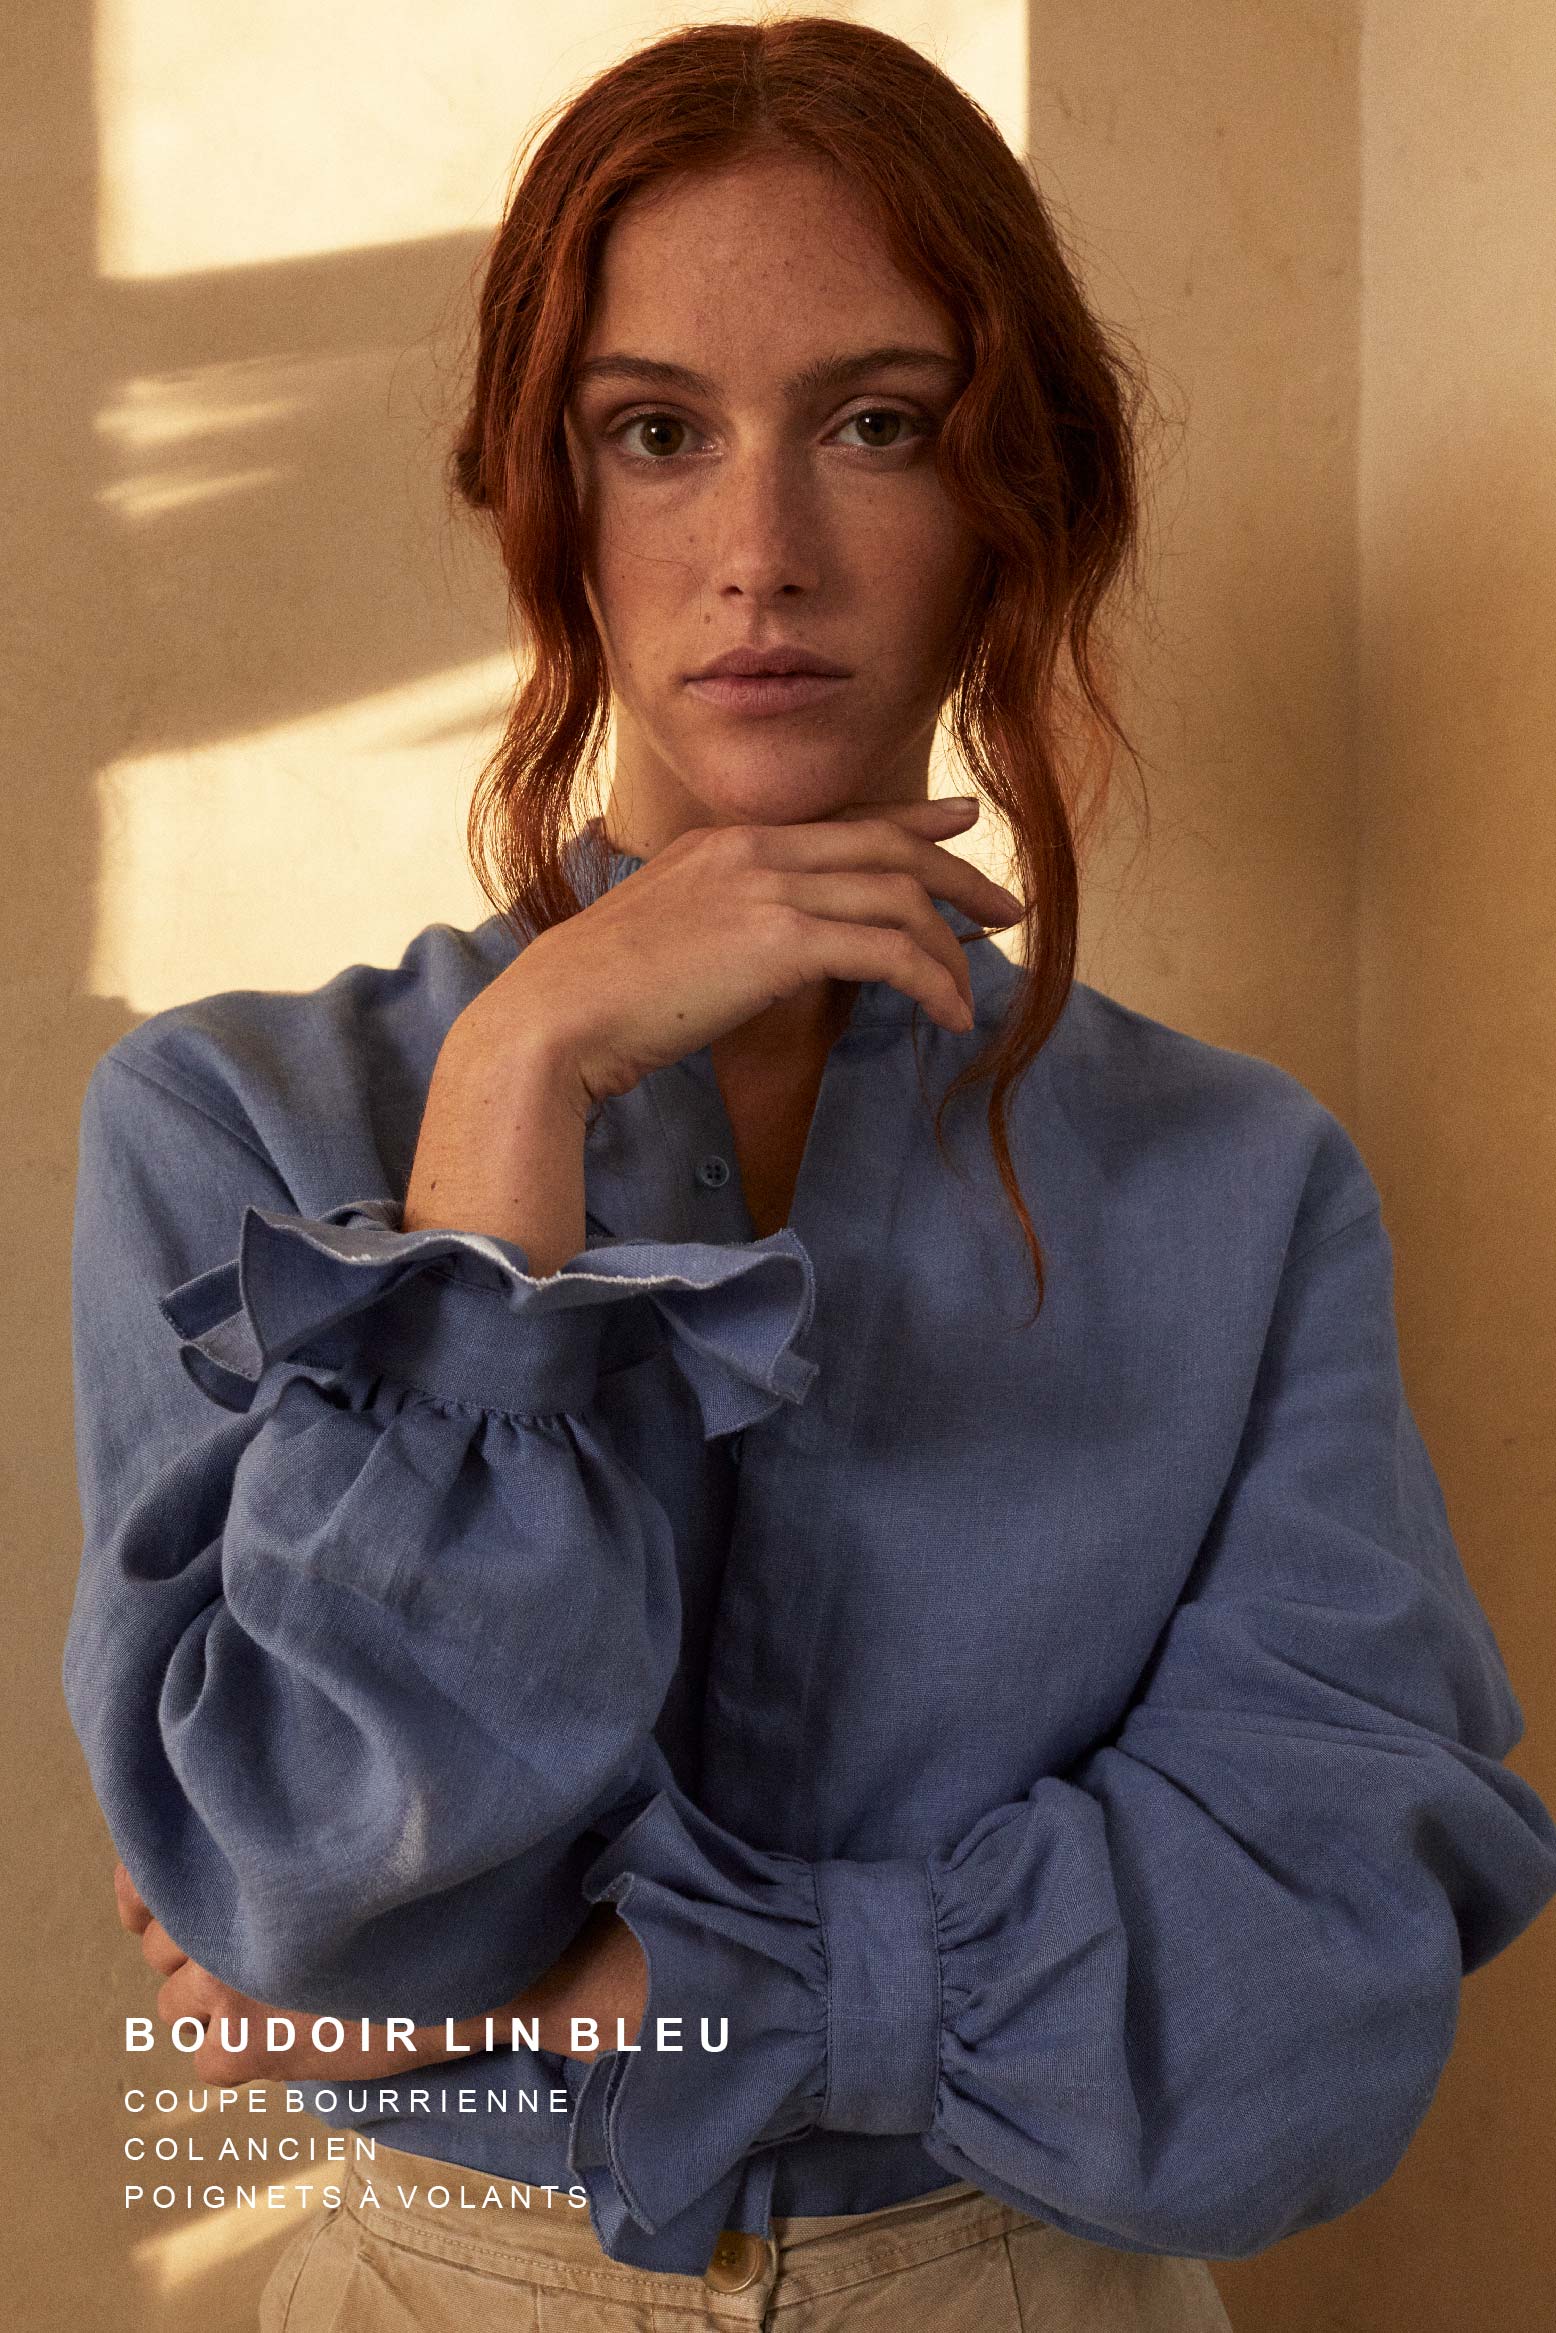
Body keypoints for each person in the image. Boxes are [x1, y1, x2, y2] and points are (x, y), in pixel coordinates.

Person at [64, 16, 1556, 2332]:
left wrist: (598, 1995)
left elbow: (1312, 2004)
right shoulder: (232, 1125)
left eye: (876, 425)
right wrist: (519, 1085)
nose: (758, 553)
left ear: (1012, 495)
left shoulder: (1239, 1187)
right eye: (653, 434)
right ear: (543, 499)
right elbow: (305, 1889)